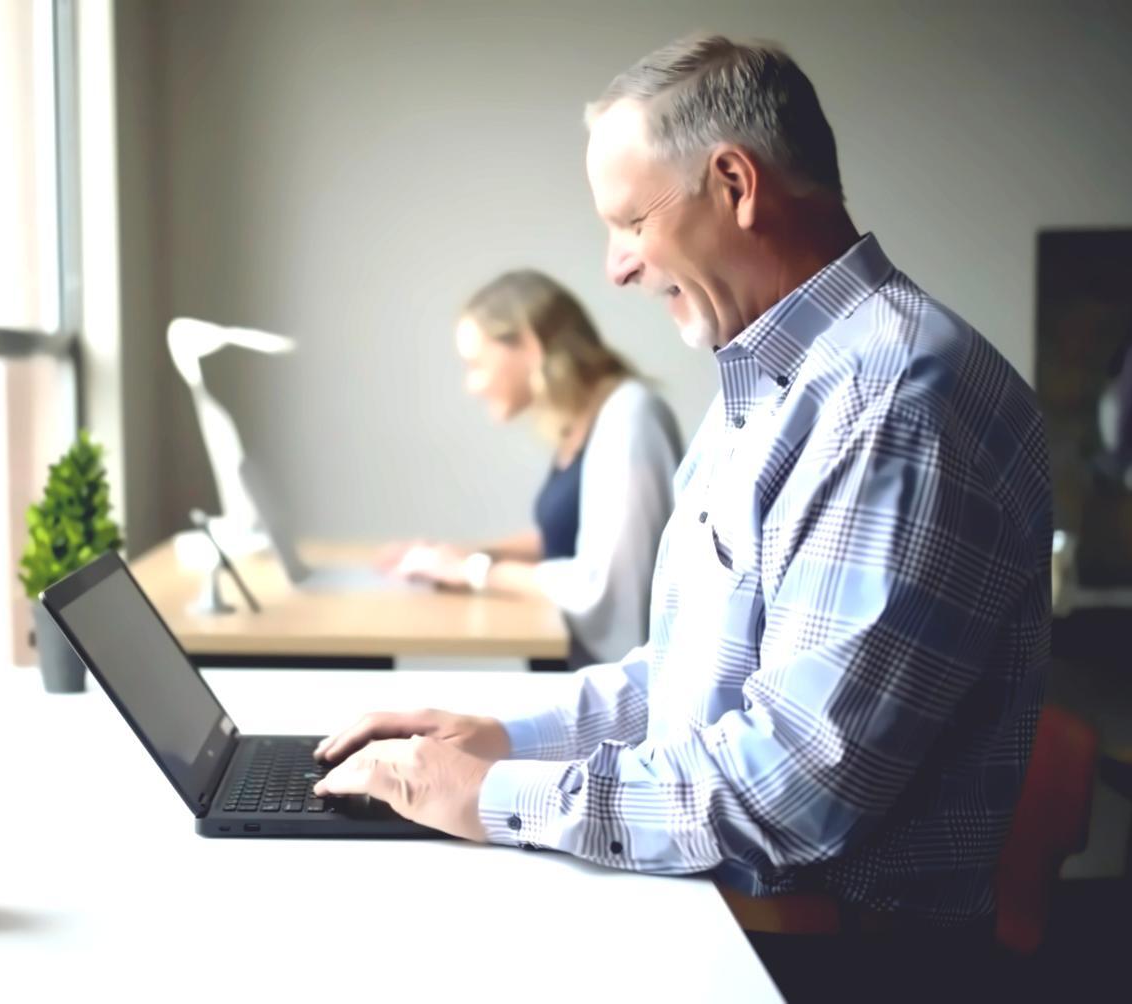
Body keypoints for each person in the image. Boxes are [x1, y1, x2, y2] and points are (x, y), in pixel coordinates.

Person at [315, 33, 1051, 1000]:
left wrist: (492, 799)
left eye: (627, 222)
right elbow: (682, 680)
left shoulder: (890, 402)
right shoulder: (773, 384)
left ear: (736, 185)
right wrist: (496, 739)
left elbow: (789, 791)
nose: (614, 268)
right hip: (746, 924)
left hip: (827, 962)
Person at [387, 269, 681, 667]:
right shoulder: (586, 419)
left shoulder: (630, 417)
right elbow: (565, 539)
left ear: (528, 344)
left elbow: (604, 586)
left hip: (606, 694)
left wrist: (474, 570)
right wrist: (463, 556)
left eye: (475, 364)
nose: (472, 385)